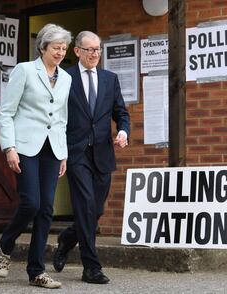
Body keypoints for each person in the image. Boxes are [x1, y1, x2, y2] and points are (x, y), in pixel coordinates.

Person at [0, 24, 72, 289]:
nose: (61, 53)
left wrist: (62, 154)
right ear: (42, 47)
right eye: (56, 48)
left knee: (47, 209)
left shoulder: (66, 78)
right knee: (31, 203)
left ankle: (36, 271)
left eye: (64, 48)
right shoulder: (25, 70)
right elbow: (6, 112)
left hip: (53, 149)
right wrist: (9, 148)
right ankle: (7, 242)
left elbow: (61, 118)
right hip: (25, 147)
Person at [53, 31, 130, 284]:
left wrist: (122, 131)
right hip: (76, 153)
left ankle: (66, 239)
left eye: (98, 49)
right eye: (89, 50)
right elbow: (56, 114)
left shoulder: (110, 79)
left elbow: (121, 112)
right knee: (85, 205)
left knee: (95, 210)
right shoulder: (64, 78)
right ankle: (91, 267)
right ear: (77, 52)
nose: (95, 54)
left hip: (103, 153)